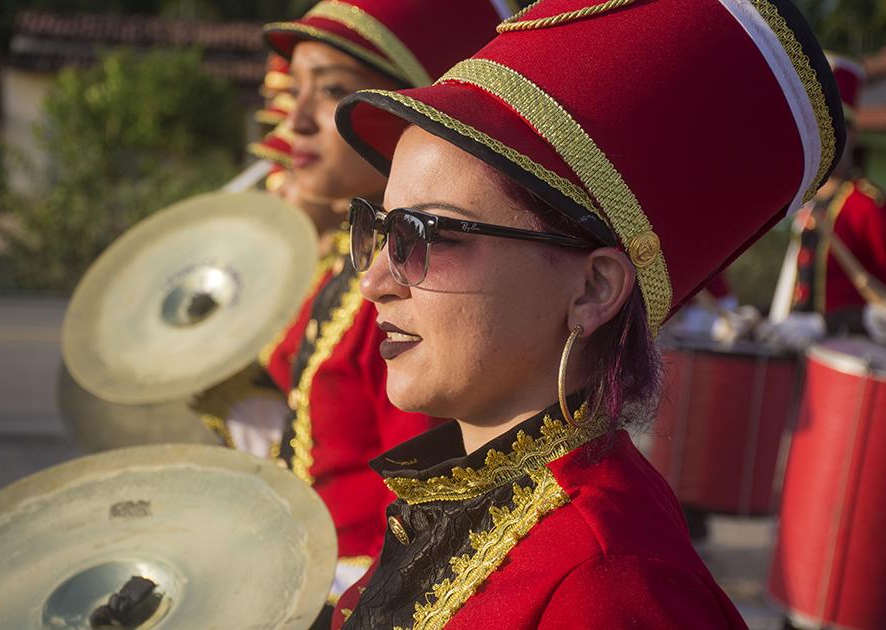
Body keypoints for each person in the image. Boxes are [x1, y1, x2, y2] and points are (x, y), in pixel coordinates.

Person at [330, 0, 845, 626]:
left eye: (425, 235)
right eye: (380, 229)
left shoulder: (608, 584)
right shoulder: (463, 501)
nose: (375, 282)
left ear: (594, 289)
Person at [254, 0, 511, 611]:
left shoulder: (423, 292)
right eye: (297, 91)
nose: (299, 120)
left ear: (406, 109)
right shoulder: (345, 274)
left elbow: (422, 511)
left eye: (334, 91)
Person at [767, 52, 886, 347]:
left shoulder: (865, 205)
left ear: (854, 134)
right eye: (822, 126)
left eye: (839, 126)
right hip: (799, 353)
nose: (830, 138)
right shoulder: (805, 203)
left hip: (849, 358)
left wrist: (829, 323)